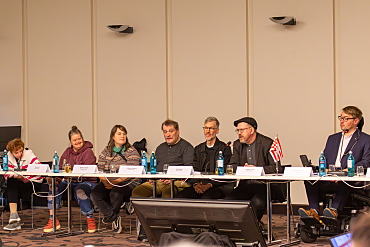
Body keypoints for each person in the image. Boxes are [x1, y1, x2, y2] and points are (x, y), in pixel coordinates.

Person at [299, 106, 370, 220]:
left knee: (345, 180)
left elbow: (366, 162)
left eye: (345, 119)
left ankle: (334, 210)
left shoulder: (365, 139)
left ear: (356, 121)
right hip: (329, 175)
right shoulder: (332, 138)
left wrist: (346, 171)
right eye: (341, 118)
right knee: (309, 178)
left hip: (350, 178)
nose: (341, 121)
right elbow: (325, 159)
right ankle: (314, 211)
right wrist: (326, 170)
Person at [224, 117, 281, 222]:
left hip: (264, 185)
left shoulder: (267, 143)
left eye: (242, 130)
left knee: (258, 203)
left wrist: (256, 169)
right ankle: (237, 227)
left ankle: (253, 228)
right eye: (238, 130)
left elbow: (275, 168)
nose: (239, 133)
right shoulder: (237, 144)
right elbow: (233, 166)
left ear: (251, 130)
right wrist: (243, 169)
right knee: (228, 201)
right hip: (246, 185)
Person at [43, 126, 97, 233]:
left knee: (80, 190)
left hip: (87, 181)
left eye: (79, 139)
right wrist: (55, 180)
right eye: (74, 140)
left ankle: (90, 217)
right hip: (71, 181)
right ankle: (53, 219)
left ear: (82, 138)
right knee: (54, 188)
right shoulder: (67, 152)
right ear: (70, 141)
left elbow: (88, 172)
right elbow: (60, 169)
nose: (77, 142)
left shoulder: (88, 152)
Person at [90, 125, 140, 234]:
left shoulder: (132, 151)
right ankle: (113, 217)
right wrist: (105, 182)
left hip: (128, 182)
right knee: (95, 194)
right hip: (109, 182)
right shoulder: (106, 151)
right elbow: (100, 169)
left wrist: (116, 182)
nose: (122, 136)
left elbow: (133, 171)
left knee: (115, 193)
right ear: (113, 136)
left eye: (124, 134)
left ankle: (110, 216)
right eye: (119, 133)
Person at [132, 119, 194, 198]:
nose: (168, 135)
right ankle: (147, 211)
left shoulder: (187, 147)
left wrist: (173, 179)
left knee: (168, 193)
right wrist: (151, 178)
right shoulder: (160, 148)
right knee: (137, 192)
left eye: (171, 131)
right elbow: (154, 166)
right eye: (165, 132)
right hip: (158, 181)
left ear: (177, 131)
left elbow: (189, 170)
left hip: (177, 182)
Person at [175, 116, 233, 199]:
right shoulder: (198, 149)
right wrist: (196, 185)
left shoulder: (224, 148)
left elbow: (226, 172)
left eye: (211, 128)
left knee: (206, 198)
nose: (208, 131)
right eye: (206, 128)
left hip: (218, 185)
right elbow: (194, 169)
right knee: (180, 196)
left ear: (217, 130)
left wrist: (209, 185)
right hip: (199, 184)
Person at [3, 139, 43, 231]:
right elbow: (7, 174)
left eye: (21, 151)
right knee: (11, 182)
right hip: (19, 183)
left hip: (33, 182)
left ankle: (14, 219)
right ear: (11, 152)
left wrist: (26, 177)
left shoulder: (29, 153)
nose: (19, 154)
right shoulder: (7, 156)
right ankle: (14, 216)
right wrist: (19, 177)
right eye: (16, 153)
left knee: (12, 184)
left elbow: (38, 169)